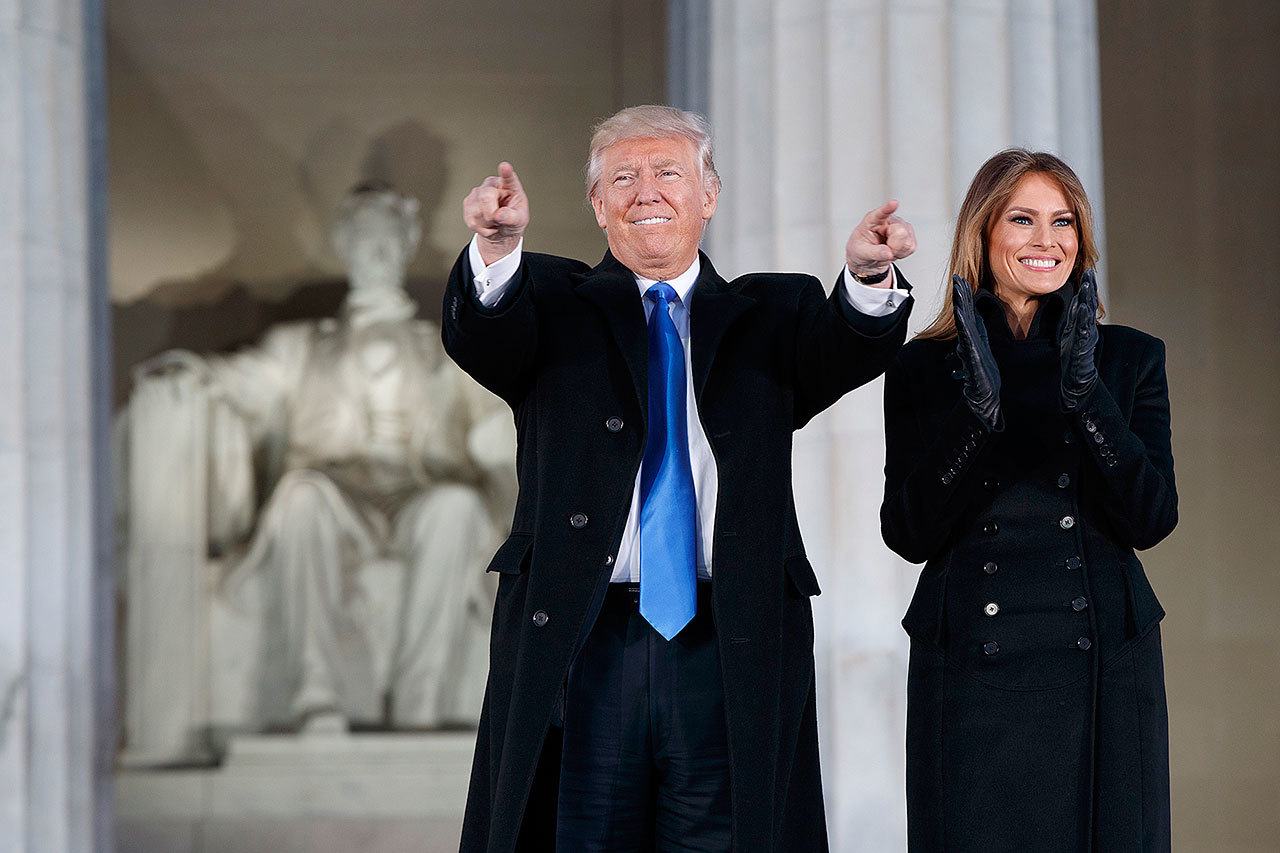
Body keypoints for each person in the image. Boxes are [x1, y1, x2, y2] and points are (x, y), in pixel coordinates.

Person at [444, 105, 917, 852]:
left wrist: (865, 277)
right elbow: (488, 333)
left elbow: (844, 348)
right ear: (598, 206)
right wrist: (497, 246)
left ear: (709, 195)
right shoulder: (552, 303)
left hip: (728, 641)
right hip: (585, 641)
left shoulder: (773, 312)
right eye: (623, 178)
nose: (647, 191)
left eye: (669, 172)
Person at [881, 149, 1177, 850]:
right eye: (1023, 219)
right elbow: (909, 531)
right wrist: (974, 415)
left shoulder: (1131, 358)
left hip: (1102, 664)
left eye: (1063, 221)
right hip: (972, 676)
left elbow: (1153, 516)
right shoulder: (922, 368)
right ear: (984, 233)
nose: (1048, 241)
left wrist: (1089, 397)